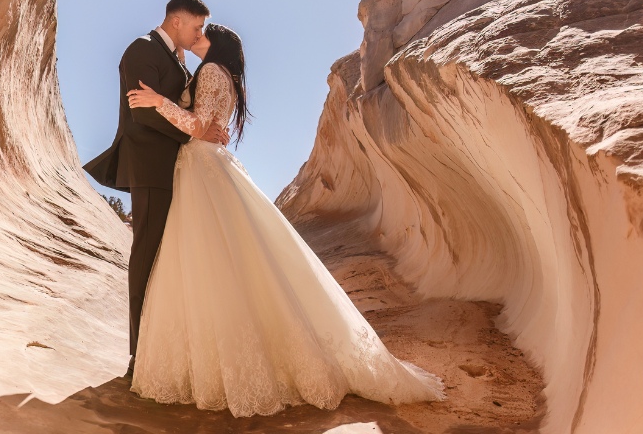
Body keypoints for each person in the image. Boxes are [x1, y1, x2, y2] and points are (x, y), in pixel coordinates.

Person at [123, 22, 445, 417]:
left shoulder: (209, 72)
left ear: (216, 44)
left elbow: (197, 127)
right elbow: (209, 128)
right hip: (210, 167)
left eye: (204, 34)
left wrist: (157, 100)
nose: (197, 37)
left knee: (206, 262)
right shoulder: (224, 76)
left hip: (201, 170)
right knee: (230, 263)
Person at [83, 0, 229, 378]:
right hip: (150, 166)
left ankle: (169, 347)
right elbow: (143, 111)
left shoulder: (178, 62)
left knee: (170, 258)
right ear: (177, 21)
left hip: (176, 168)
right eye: (197, 27)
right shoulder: (141, 49)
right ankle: (138, 354)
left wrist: (198, 128)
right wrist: (196, 134)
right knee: (146, 254)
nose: (200, 34)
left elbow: (180, 107)